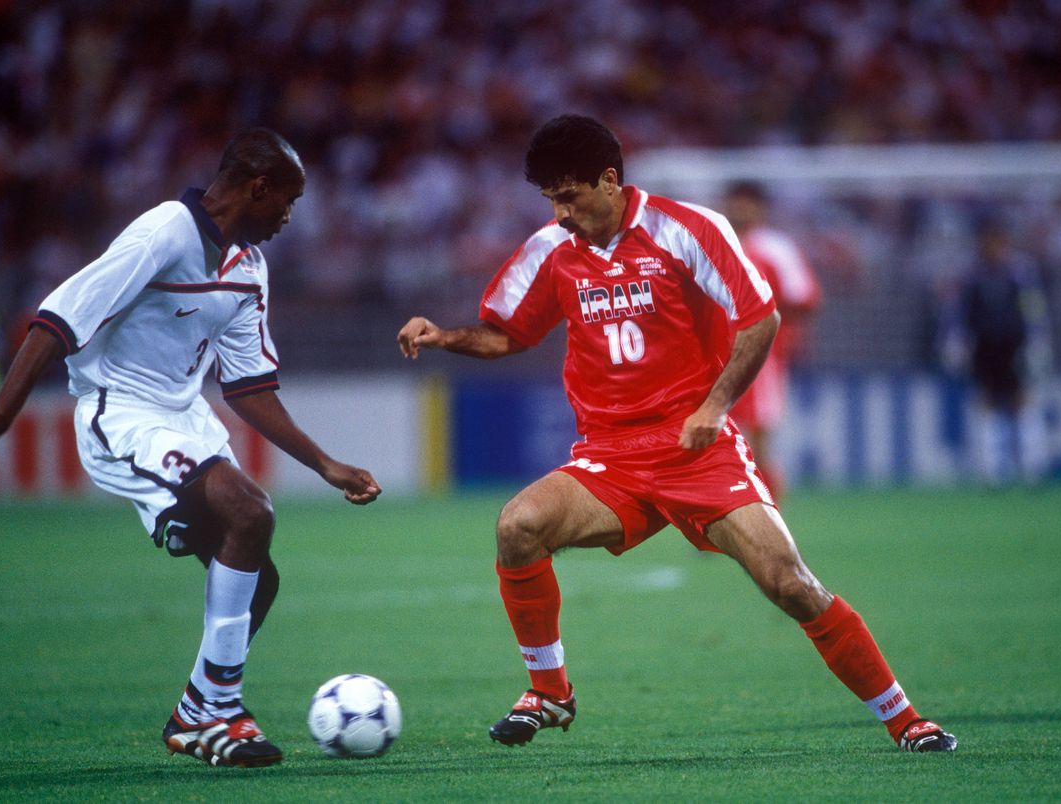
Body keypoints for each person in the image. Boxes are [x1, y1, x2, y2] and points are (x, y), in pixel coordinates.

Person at [398, 114, 957, 753]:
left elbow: (761, 318)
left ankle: (905, 719)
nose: (559, 213)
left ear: (610, 181)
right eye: (550, 199)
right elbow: (507, 334)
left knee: (790, 584)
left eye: (569, 196)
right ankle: (550, 692)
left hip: (698, 451)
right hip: (610, 459)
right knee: (518, 525)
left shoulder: (686, 229)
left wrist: (715, 407)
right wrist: (444, 336)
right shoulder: (552, 249)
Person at [0, 128, 382, 768]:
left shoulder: (249, 268)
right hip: (122, 412)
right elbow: (58, 319)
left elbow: (248, 387)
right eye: (288, 200)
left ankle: (195, 715)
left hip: (187, 419)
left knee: (258, 579)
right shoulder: (164, 233)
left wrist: (325, 464)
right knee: (249, 511)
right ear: (258, 188)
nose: (290, 217)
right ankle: (221, 710)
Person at [722, 182, 821, 501]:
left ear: (760, 208)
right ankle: (729, 513)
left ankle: (769, 513)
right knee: (718, 441)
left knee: (758, 439)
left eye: (746, 202)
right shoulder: (716, 242)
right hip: (714, 357)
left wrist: (767, 322)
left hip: (760, 356)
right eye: (735, 202)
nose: (739, 209)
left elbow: (804, 297)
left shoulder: (775, 248)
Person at [960, 220, 1051, 485]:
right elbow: (960, 311)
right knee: (986, 402)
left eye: (997, 242)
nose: (993, 247)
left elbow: (1034, 307)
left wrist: (1038, 338)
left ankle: (1032, 466)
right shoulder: (972, 274)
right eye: (988, 241)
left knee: (1022, 400)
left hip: (1015, 344)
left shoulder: (1021, 273)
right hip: (985, 345)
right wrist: (955, 339)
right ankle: (992, 471)